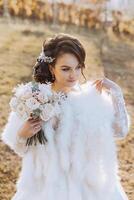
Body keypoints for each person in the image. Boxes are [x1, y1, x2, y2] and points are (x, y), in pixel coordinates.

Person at [1, 33, 130, 200]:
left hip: (84, 185)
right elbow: (20, 148)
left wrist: (116, 95)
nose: (73, 75)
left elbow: (120, 131)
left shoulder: (89, 99)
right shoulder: (33, 99)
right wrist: (23, 134)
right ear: (51, 68)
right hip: (46, 186)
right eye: (65, 68)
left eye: (78, 67)